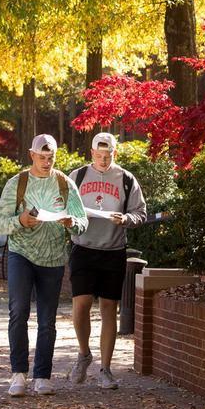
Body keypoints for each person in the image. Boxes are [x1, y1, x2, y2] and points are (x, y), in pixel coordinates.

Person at [0, 134, 88, 398]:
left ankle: (42, 376)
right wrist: (20, 220)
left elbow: (82, 220)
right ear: (31, 154)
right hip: (21, 254)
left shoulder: (64, 184)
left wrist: (72, 223)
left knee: (47, 320)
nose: (46, 162)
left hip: (54, 258)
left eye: (51, 158)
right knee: (18, 311)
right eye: (42, 157)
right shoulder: (18, 183)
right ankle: (18, 374)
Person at [67, 132, 146, 390]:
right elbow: (64, 206)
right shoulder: (77, 177)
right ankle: (83, 354)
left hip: (113, 250)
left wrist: (126, 220)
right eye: (99, 155)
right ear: (91, 153)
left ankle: (105, 369)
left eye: (108, 155)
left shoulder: (126, 179)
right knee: (81, 305)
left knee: (109, 308)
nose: (103, 160)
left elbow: (140, 213)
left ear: (115, 153)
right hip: (83, 247)